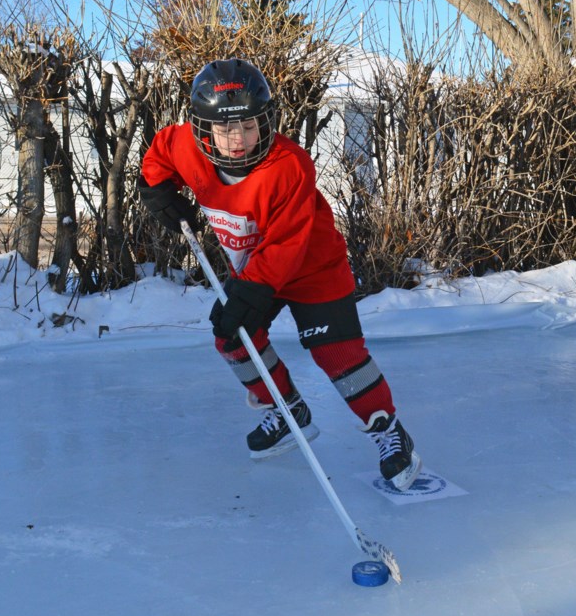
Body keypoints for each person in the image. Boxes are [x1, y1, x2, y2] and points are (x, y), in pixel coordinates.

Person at [137, 58, 422, 490]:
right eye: (226, 129)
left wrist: (249, 291)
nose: (239, 140)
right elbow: (160, 153)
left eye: (250, 126)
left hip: (312, 266)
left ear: (266, 120)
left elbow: (288, 243)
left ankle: (388, 430)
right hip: (257, 266)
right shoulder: (186, 146)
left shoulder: (289, 165)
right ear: (202, 127)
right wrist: (156, 188)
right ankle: (289, 411)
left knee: (337, 354)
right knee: (232, 337)